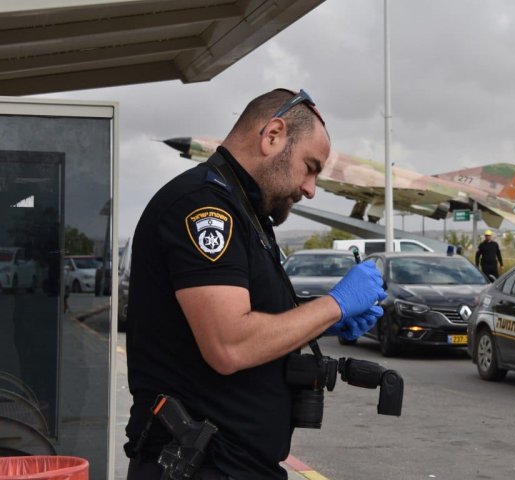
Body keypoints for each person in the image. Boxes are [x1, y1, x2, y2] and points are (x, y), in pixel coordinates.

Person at [123, 88, 387, 480]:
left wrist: (319, 320)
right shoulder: (203, 207)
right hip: (198, 465)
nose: (311, 188)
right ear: (273, 135)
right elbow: (230, 344)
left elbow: (252, 317)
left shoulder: (245, 213)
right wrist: (336, 303)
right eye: (310, 166)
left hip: (234, 464)